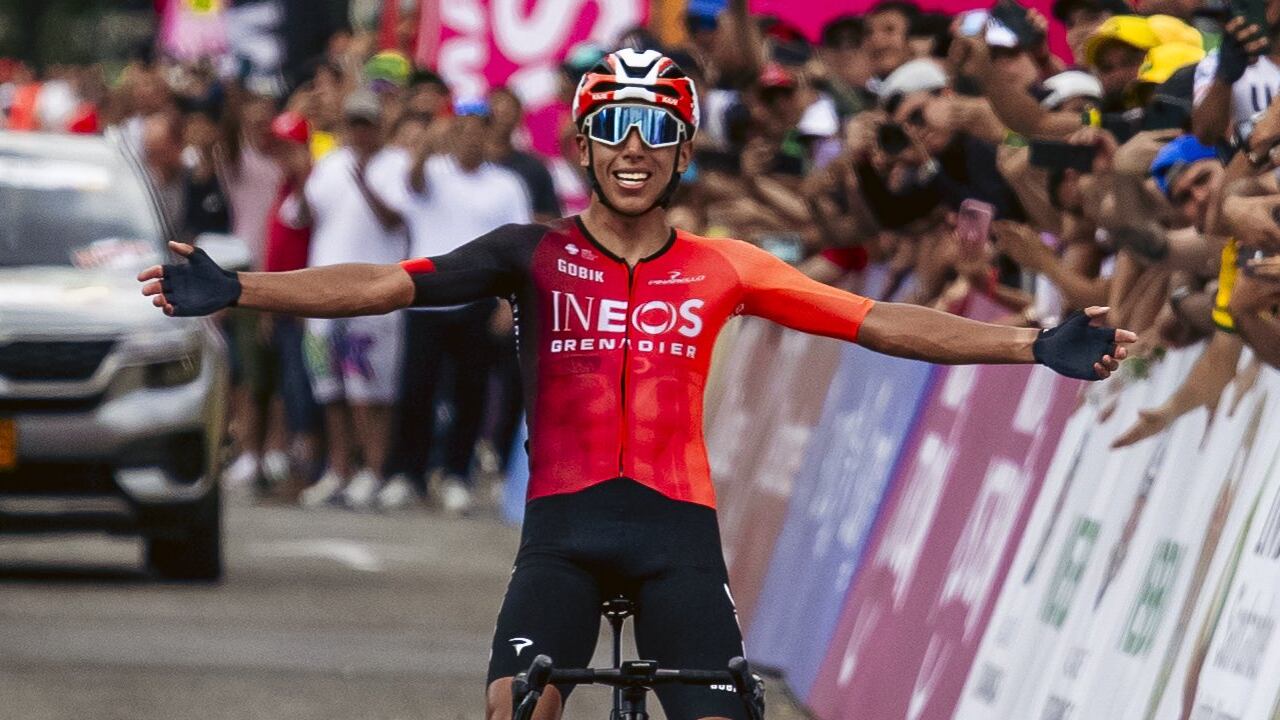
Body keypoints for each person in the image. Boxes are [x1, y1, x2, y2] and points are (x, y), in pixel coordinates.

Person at [140, 49, 1134, 720]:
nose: (629, 147)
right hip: (562, 535)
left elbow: (875, 321)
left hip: (675, 540)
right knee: (512, 706)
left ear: (679, 151)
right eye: (609, 125)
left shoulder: (724, 265)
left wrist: (1028, 340)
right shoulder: (526, 251)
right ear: (580, 144)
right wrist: (242, 288)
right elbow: (381, 284)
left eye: (652, 129)